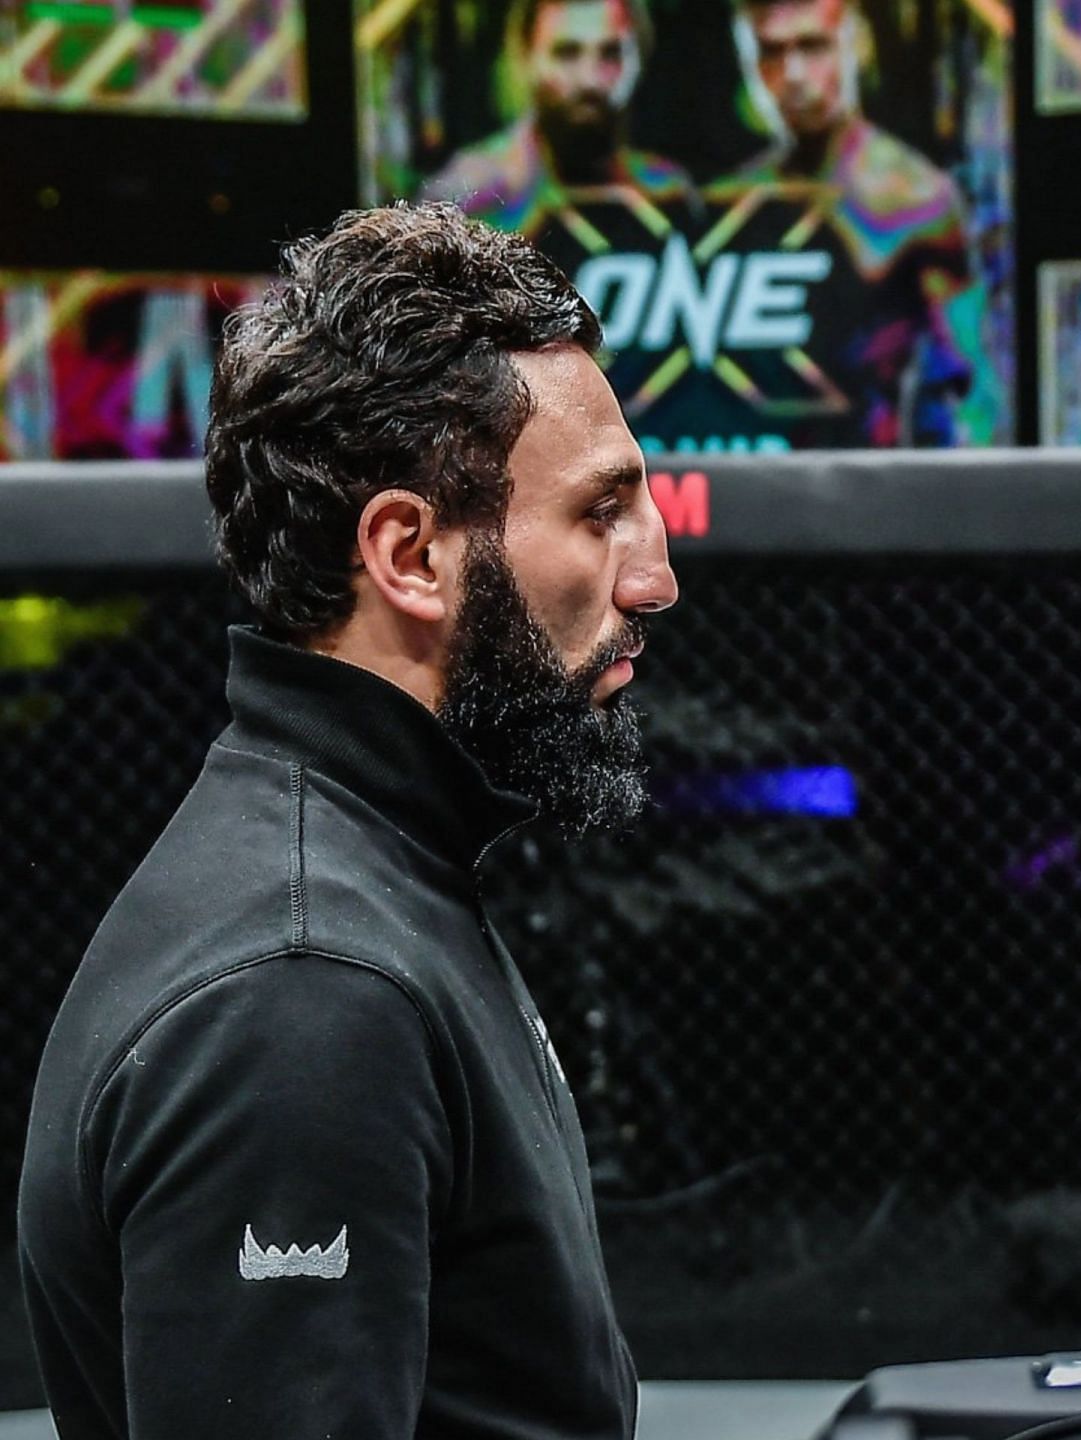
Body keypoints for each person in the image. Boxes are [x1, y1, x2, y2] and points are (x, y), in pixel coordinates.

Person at [16, 203, 679, 1439]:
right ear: (410, 554)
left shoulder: (362, 880)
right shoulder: (307, 993)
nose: (654, 578)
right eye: (600, 513)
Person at [707, 0, 976, 446]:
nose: (792, 74)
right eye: (771, 52)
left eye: (813, 47)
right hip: (745, 480)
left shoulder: (913, 197)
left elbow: (965, 380)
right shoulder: (735, 198)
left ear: (857, 45)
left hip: (869, 489)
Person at [421, 0, 694, 238]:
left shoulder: (666, 191)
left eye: (611, 53)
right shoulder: (468, 196)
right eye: (567, 53)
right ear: (526, 56)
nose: (590, 79)